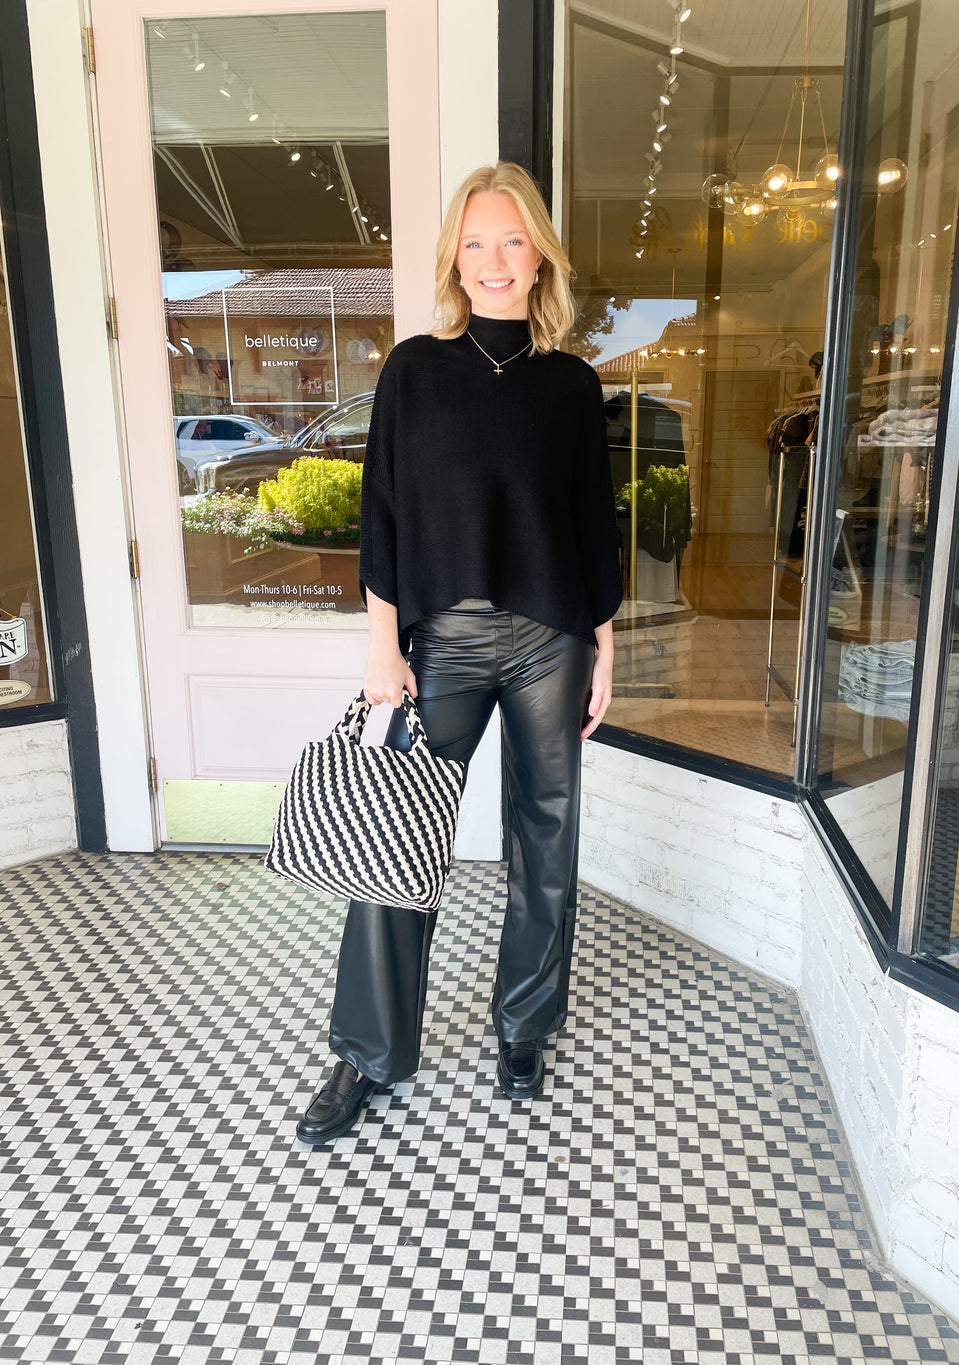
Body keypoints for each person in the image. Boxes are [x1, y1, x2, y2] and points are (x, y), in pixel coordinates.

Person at [296, 161, 622, 1144]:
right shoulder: (414, 370)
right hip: (440, 639)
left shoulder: (571, 384)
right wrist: (381, 647)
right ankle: (367, 1053)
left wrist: (604, 648)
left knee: (545, 837)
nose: (494, 261)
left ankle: (524, 1027)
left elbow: (592, 526)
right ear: (455, 258)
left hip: (551, 638)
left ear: (540, 257)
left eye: (512, 241)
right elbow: (383, 516)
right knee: (395, 838)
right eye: (476, 242)